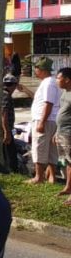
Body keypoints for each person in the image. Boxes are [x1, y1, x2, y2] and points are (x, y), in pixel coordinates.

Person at [28, 57, 59, 185]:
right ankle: (52, 176)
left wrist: (41, 122)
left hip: (44, 119)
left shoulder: (48, 83)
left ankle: (39, 177)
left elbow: (48, 103)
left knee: (39, 147)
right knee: (52, 149)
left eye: (36, 68)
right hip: (52, 120)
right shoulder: (52, 82)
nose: (35, 70)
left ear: (41, 69)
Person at [54, 67, 71, 204]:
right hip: (61, 132)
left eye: (58, 78)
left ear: (67, 80)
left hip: (69, 133)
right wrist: (56, 132)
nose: (56, 81)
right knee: (66, 161)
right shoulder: (65, 92)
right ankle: (68, 187)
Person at [0, 75, 20, 174]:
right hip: (4, 129)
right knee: (10, 153)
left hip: (5, 128)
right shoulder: (6, 95)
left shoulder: (3, 94)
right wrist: (6, 132)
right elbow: (4, 114)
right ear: (14, 85)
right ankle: (12, 172)